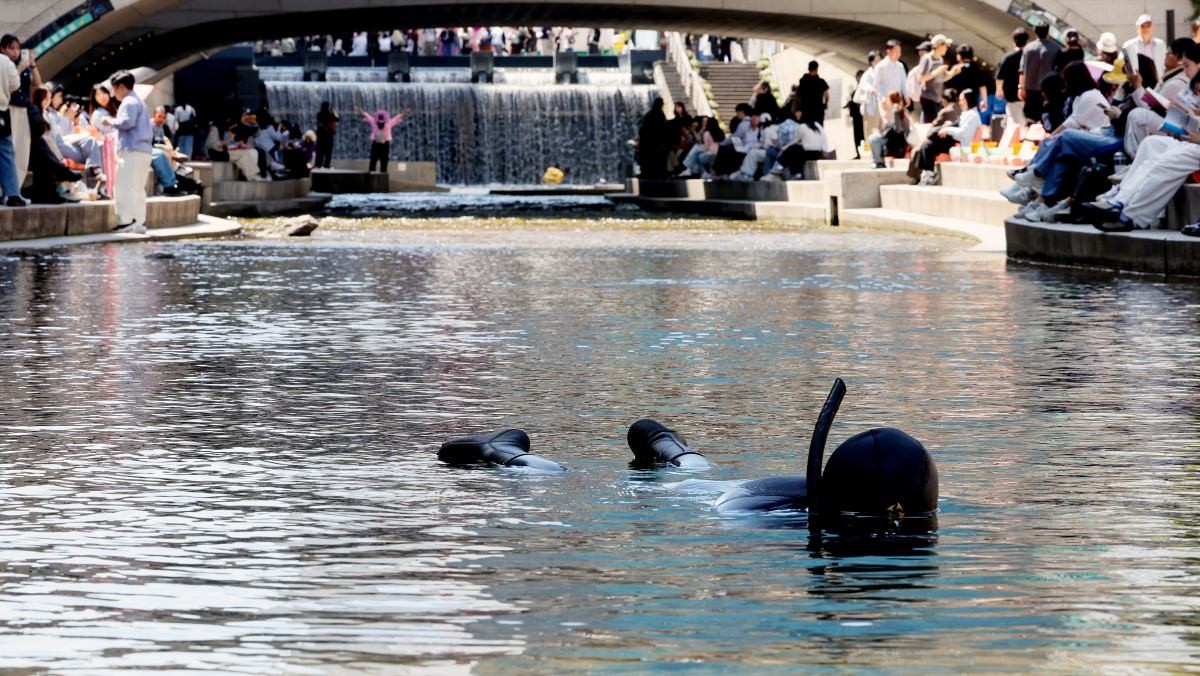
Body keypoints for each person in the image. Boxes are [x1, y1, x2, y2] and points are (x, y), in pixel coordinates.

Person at [98, 70, 152, 233]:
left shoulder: (128, 102)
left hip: (131, 150)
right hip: (144, 151)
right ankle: (139, 222)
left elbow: (127, 123)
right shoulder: (139, 101)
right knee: (137, 187)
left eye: (114, 89)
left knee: (123, 186)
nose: (114, 94)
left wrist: (110, 121)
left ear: (121, 87)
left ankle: (126, 221)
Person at [907, 88, 982, 184]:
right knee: (927, 143)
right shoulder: (967, 113)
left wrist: (948, 129)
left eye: (962, 100)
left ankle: (928, 174)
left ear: (969, 100)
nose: (960, 102)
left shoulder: (972, 115)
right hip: (955, 140)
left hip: (958, 144)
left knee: (927, 144)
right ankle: (927, 173)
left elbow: (963, 133)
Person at [1021, 24, 1060, 126]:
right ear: (1048, 32)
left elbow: (1022, 70)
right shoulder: (1056, 48)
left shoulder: (1028, 48)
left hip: (1031, 88)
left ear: (1035, 32)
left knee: (1030, 119)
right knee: (1047, 119)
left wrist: (1021, 87)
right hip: (1049, 90)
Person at [0, 34, 23, 206]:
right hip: (1, 111)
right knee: (6, 154)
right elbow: (15, 85)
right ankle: (13, 194)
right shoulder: (5, 62)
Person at [354, 105, 408, 172]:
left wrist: (405, 112)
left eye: (382, 123)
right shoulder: (376, 122)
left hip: (384, 143)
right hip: (376, 143)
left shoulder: (388, 123)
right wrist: (359, 110)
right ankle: (372, 174)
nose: (380, 125)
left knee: (383, 160)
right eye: (379, 123)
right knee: (374, 159)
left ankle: (382, 174)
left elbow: (398, 116)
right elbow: (365, 114)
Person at [996, 28, 1029, 129]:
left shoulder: (1008, 57)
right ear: (1027, 41)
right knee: (1027, 124)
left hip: (1011, 96)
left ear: (1014, 41)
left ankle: (1015, 143)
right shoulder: (1031, 56)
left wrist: (999, 90)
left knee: (1013, 124)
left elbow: (1000, 76)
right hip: (1029, 96)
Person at [867, 91, 911, 168]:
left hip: (897, 141)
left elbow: (897, 129)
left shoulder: (895, 109)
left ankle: (879, 162)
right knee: (873, 138)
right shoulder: (900, 108)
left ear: (890, 99)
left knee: (873, 139)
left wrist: (882, 134)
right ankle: (878, 161)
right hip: (899, 139)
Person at [916, 35, 951, 123]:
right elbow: (920, 77)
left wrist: (954, 72)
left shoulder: (940, 59)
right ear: (939, 45)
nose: (947, 48)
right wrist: (938, 71)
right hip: (928, 97)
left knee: (934, 124)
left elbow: (941, 79)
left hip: (937, 98)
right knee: (930, 125)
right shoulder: (927, 58)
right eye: (945, 45)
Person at [874, 39, 908, 114]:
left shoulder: (900, 66)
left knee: (898, 124)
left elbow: (903, 83)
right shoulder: (880, 67)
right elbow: (876, 86)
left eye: (899, 52)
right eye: (896, 51)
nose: (899, 54)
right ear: (888, 51)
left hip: (898, 103)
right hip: (885, 103)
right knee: (887, 124)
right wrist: (883, 99)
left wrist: (906, 96)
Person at [637, 97, 668, 179]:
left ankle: (647, 173)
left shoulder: (649, 114)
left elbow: (643, 129)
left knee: (648, 160)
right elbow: (663, 129)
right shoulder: (660, 115)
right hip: (656, 142)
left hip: (647, 142)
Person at [795, 60, 829, 125]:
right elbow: (826, 95)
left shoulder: (803, 82)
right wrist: (826, 104)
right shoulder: (821, 82)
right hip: (818, 111)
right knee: (818, 131)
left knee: (807, 131)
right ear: (817, 68)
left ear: (809, 69)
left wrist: (798, 109)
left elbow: (798, 96)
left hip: (806, 111)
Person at [846, 69, 866, 159]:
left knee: (864, 135)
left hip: (864, 117)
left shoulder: (865, 90)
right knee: (857, 136)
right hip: (856, 117)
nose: (858, 78)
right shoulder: (855, 91)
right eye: (857, 77)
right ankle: (859, 153)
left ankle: (864, 153)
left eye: (860, 76)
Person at [314, 101, 338, 169]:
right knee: (328, 151)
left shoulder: (319, 114)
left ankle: (318, 164)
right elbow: (337, 119)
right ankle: (326, 164)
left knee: (320, 151)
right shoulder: (330, 114)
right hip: (328, 135)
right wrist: (334, 112)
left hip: (320, 135)